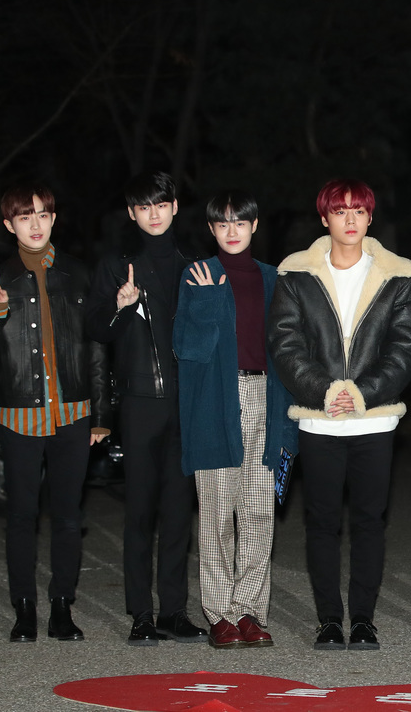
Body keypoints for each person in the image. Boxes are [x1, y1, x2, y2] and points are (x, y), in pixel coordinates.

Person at [268, 179, 411, 651]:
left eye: (359, 210)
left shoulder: (401, 275)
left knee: (370, 522)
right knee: (321, 522)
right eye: (340, 210)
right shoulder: (296, 274)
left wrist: (361, 394)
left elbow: (405, 348)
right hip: (319, 420)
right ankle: (329, 620)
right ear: (325, 218)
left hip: (375, 421)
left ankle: (363, 621)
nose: (350, 219)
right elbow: (285, 343)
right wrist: (325, 390)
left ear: (370, 217)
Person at [0, 184, 111, 643]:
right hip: (18, 415)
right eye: (24, 216)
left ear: (54, 219)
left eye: (43, 215)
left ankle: (62, 607)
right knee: (22, 516)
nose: (35, 224)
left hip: (73, 413)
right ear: (8, 225)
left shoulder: (78, 273)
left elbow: (96, 350)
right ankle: (24, 608)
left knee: (68, 515)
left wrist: (102, 416)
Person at [86, 171, 205, 646]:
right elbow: (95, 329)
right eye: (143, 207)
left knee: (179, 511)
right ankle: (141, 612)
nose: (153, 214)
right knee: (140, 510)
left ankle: (173, 610)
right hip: (138, 402)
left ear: (175, 207)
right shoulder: (116, 266)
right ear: (132, 214)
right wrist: (119, 306)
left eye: (161, 204)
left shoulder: (195, 264)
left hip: (186, 402)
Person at [174, 190, 295, 649]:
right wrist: (206, 303)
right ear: (210, 229)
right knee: (217, 516)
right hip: (216, 401)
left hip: (267, 396)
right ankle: (219, 614)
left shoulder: (273, 278)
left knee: (260, 511)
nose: (231, 231)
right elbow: (188, 348)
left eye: (239, 222)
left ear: (254, 225)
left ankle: (249, 611)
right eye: (222, 223)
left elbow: (286, 350)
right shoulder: (197, 275)